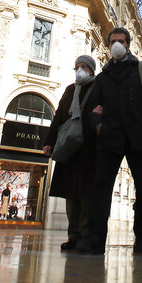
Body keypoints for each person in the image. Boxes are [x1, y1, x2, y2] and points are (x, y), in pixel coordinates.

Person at [81, 26, 142, 254]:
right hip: (110, 137)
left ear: (128, 45)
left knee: (141, 187)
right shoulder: (103, 76)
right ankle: (96, 240)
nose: (116, 45)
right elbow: (92, 107)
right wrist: (99, 126)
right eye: (112, 42)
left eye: (121, 41)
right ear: (108, 47)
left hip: (138, 138)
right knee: (101, 188)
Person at [42, 55, 98, 251]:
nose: (80, 70)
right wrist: (49, 141)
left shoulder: (98, 88)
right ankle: (72, 235)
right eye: (77, 67)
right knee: (70, 194)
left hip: (88, 148)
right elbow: (58, 116)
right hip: (68, 148)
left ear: (92, 69)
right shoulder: (70, 90)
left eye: (84, 67)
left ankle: (84, 234)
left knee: (85, 194)